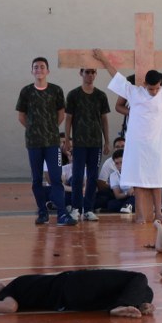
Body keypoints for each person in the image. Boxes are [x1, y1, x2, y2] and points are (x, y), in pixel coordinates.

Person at [93, 48, 162, 223]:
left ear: (160, 84)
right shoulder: (134, 92)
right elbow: (116, 77)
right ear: (145, 84)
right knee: (138, 179)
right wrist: (103, 59)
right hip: (138, 144)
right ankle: (140, 214)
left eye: (157, 88)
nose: (154, 91)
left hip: (158, 144)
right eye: (151, 88)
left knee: (158, 178)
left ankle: (158, 213)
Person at [16, 57, 75, 226]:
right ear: (32, 71)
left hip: (52, 143)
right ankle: (42, 212)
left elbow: (61, 114)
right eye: (36, 67)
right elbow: (21, 116)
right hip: (33, 143)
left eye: (42, 67)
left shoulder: (56, 90)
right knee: (36, 179)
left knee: (56, 178)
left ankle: (62, 214)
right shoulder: (26, 91)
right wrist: (34, 129)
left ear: (47, 71)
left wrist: (49, 129)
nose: (39, 69)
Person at [0, 269, 154, 318]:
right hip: (74, 284)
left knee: (146, 290)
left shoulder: (12, 289)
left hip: (76, 300)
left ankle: (135, 304)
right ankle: (122, 305)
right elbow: (11, 307)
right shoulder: (10, 291)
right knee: (138, 277)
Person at [65, 67, 111, 221]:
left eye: (93, 72)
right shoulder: (73, 95)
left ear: (96, 74)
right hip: (79, 143)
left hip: (95, 143)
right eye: (87, 72)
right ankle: (76, 208)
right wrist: (67, 139)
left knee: (92, 177)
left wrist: (107, 141)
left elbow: (104, 119)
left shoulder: (101, 95)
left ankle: (89, 209)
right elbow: (68, 118)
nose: (90, 75)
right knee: (77, 176)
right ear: (81, 73)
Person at [95, 136, 125, 211]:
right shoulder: (108, 163)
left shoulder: (134, 160)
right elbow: (101, 183)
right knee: (103, 197)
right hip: (114, 191)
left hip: (131, 192)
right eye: (117, 147)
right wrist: (115, 188)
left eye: (123, 146)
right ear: (114, 149)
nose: (120, 148)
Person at [107, 149, 135, 213]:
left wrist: (135, 189)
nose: (120, 166)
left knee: (135, 198)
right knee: (111, 205)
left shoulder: (135, 171)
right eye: (117, 163)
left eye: (121, 162)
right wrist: (127, 193)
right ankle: (127, 206)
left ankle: (128, 205)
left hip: (136, 196)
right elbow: (117, 195)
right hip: (125, 197)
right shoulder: (113, 175)